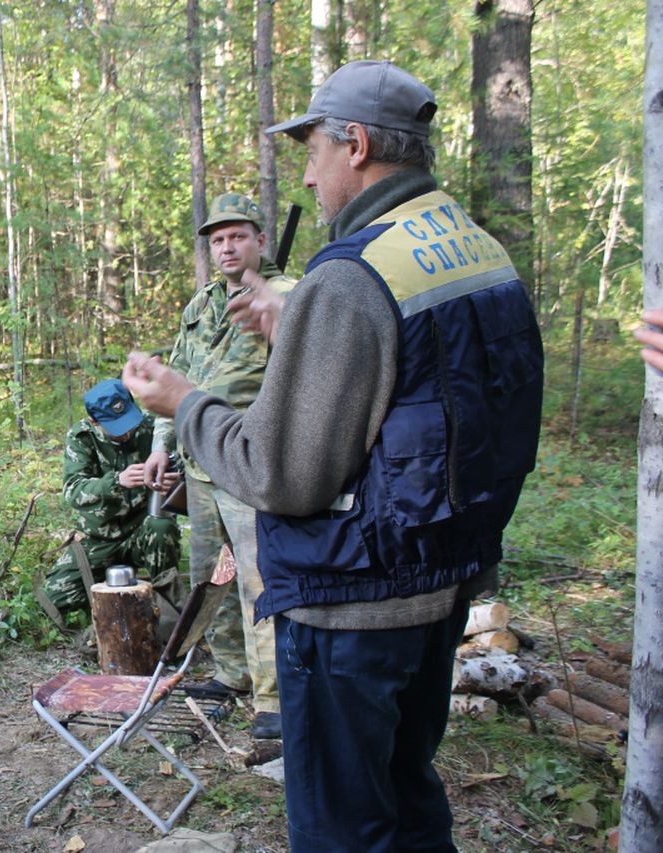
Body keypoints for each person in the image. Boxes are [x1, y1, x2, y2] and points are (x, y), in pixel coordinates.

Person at [121, 60, 543, 850]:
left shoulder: (349, 277)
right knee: (409, 795)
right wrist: (304, 335)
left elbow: (282, 474)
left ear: (354, 144)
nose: (308, 177)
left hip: (354, 605)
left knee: (342, 826)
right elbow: (440, 397)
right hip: (444, 580)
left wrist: (185, 403)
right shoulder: (476, 244)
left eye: (311, 150)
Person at [144, 192, 292, 739]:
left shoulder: (287, 298)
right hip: (200, 460)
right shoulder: (201, 304)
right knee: (212, 578)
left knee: (262, 582)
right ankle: (231, 675)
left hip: (251, 463)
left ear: (259, 240)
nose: (227, 247)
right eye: (218, 239)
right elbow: (178, 374)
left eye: (238, 236)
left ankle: (274, 696)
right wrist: (162, 441)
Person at [40, 379, 181, 615]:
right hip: (99, 538)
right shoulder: (82, 437)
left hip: (142, 531)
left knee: (162, 526)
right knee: (52, 601)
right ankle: (113, 597)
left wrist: (174, 482)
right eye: (117, 427)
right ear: (95, 422)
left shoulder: (152, 430)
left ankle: (168, 604)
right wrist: (115, 482)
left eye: (129, 422)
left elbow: (186, 466)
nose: (126, 433)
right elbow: (73, 491)